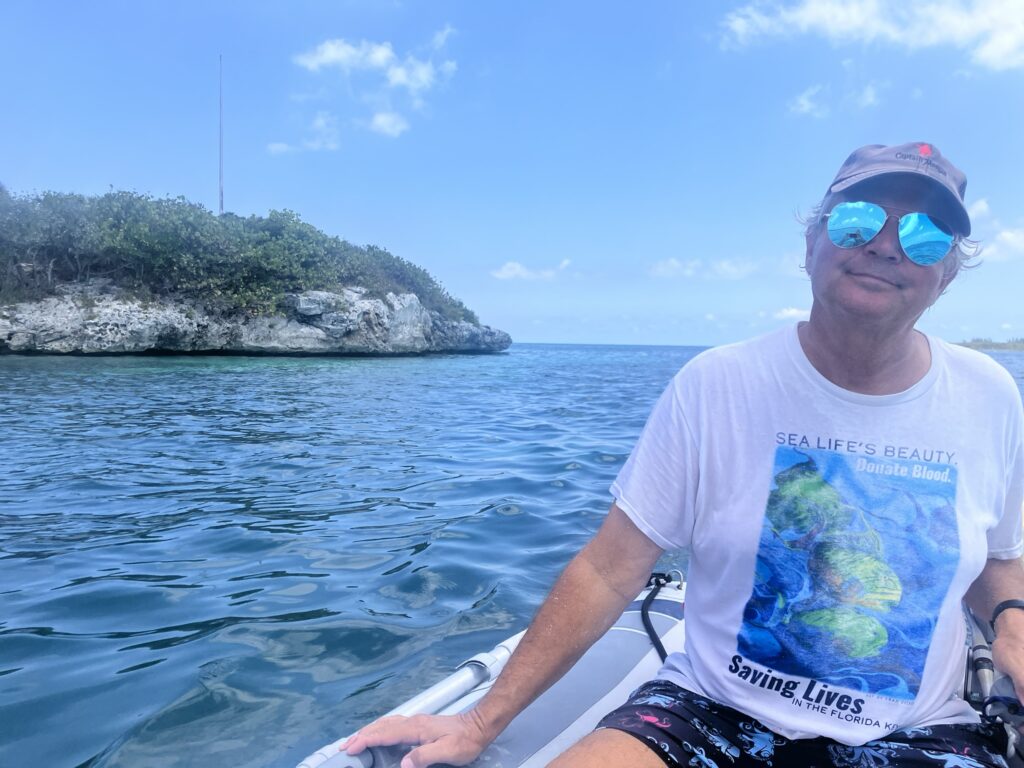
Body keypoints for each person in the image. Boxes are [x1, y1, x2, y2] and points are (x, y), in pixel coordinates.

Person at [343, 142, 1024, 767]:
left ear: (948, 275)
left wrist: (1010, 626)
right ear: (812, 238)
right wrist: (479, 724)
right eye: (857, 220)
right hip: (708, 710)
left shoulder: (988, 396)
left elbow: (997, 553)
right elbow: (611, 571)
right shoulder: (716, 384)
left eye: (925, 235)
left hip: (915, 732)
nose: (884, 245)